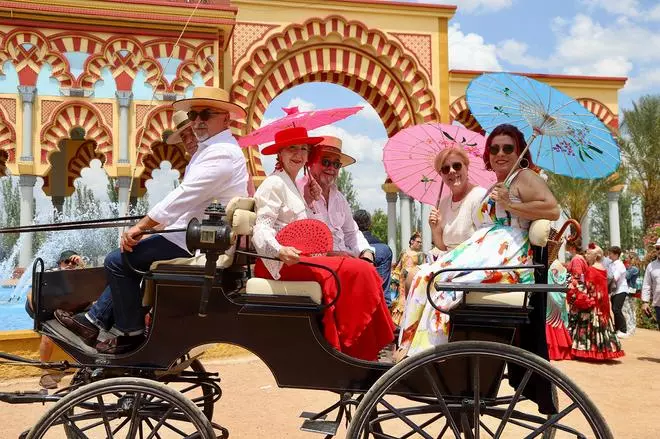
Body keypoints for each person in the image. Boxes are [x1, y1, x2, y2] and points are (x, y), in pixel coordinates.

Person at [55, 86, 249, 354]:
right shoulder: (214, 149)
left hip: (199, 241)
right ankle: (95, 320)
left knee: (117, 260)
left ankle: (130, 333)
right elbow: (188, 202)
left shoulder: (221, 153)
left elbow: (184, 196)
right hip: (196, 236)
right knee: (128, 259)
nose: (198, 121)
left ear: (226, 119)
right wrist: (152, 228)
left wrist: (143, 226)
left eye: (206, 113)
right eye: (194, 114)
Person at [396, 123, 560, 359]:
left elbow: (552, 209)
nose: (500, 154)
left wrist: (511, 204)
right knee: (425, 276)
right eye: (494, 149)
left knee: (436, 279)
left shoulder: (524, 177)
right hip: (486, 247)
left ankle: (427, 351)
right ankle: (415, 347)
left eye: (507, 148)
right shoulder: (499, 184)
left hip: (507, 253)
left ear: (519, 151)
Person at [252, 126, 394, 361]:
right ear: (279, 154)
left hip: (299, 258)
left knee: (363, 268)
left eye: (303, 149)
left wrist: (307, 199)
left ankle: (365, 344)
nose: (298, 154)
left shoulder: (297, 186)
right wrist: (279, 250)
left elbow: (344, 231)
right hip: (278, 263)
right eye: (292, 149)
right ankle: (353, 344)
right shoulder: (276, 183)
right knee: (356, 271)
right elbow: (262, 227)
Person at [298, 136, 375, 262]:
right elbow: (304, 240)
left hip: (344, 258)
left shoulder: (339, 198)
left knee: (371, 264)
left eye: (336, 164)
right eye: (326, 162)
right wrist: (333, 255)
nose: (332, 168)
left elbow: (352, 233)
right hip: (320, 262)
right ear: (310, 163)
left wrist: (366, 252)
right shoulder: (300, 192)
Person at [26, 250, 85, 389]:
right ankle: (44, 372)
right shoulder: (51, 274)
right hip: (39, 307)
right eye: (66, 262)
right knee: (49, 335)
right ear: (60, 263)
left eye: (73, 262)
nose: (70, 264)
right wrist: (41, 317)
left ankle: (85, 367)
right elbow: (30, 296)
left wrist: (82, 265)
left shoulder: (78, 276)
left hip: (60, 308)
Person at [566, 244, 624, 360]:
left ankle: (589, 350)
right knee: (603, 327)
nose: (586, 255)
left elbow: (587, 287)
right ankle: (603, 349)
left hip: (592, 304)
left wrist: (574, 286)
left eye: (588, 253)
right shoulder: (603, 268)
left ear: (595, 256)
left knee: (588, 325)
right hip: (601, 303)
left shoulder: (591, 269)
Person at [428, 146, 487, 254]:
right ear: (441, 174)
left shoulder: (480, 196)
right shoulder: (443, 203)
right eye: (445, 169)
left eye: (457, 166)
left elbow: (487, 240)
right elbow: (443, 247)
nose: (451, 171)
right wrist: (435, 229)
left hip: (474, 260)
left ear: (466, 167)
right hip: (450, 262)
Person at [353, 209, 393, 302]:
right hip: (381, 301)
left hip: (359, 301)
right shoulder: (385, 249)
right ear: (370, 224)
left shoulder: (350, 249)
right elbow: (383, 281)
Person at [388, 232, 426, 325]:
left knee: (411, 299)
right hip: (401, 281)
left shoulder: (421, 255)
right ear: (412, 241)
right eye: (418, 242)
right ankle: (397, 322)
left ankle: (408, 322)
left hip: (413, 280)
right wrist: (394, 279)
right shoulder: (404, 252)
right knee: (400, 300)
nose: (420, 244)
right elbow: (399, 265)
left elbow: (423, 268)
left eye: (421, 242)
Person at [545, 259, 572, 361]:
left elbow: (549, 283)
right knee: (558, 322)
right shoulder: (561, 267)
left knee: (550, 321)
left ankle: (553, 351)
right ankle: (562, 350)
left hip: (551, 297)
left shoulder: (551, 268)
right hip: (559, 297)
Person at [607, 246, 628, 337]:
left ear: (616, 254)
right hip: (614, 290)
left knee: (616, 309)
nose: (609, 255)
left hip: (621, 289)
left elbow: (614, 278)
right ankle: (617, 328)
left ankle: (623, 330)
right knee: (614, 309)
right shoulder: (611, 264)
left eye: (610, 253)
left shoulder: (619, 265)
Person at [641, 238, 660, 329]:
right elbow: (646, 285)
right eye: (657, 248)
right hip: (658, 304)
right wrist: (645, 302)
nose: (659, 250)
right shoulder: (651, 266)